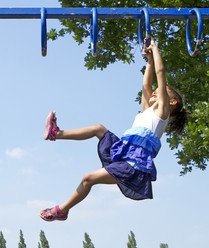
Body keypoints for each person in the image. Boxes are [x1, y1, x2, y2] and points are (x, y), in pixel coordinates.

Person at [40, 38, 188, 222]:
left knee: (88, 178)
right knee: (98, 129)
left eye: (161, 90)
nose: (156, 91)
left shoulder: (162, 113)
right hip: (122, 152)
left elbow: (160, 72)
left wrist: (156, 50)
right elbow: (145, 85)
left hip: (133, 165)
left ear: (170, 101)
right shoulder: (147, 111)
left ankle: (62, 210)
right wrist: (149, 59)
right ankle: (55, 134)